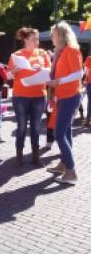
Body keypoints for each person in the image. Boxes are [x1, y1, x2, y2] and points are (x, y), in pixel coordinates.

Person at [8, 28, 51, 166]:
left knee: (36, 127)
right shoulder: (16, 55)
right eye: (34, 39)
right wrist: (14, 71)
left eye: (37, 39)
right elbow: (8, 76)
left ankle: (35, 157)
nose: (37, 41)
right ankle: (19, 155)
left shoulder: (43, 54)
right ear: (26, 40)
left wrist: (41, 69)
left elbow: (51, 72)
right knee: (21, 126)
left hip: (39, 96)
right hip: (21, 96)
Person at [47, 21, 83, 184]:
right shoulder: (62, 51)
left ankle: (71, 171)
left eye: (54, 35)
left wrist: (59, 82)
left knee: (59, 133)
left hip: (71, 96)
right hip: (63, 97)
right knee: (65, 132)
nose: (52, 38)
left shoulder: (72, 50)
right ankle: (64, 163)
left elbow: (78, 74)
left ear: (61, 35)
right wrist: (55, 95)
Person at [83, 55, 91, 126]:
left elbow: (86, 71)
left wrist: (85, 79)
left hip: (90, 82)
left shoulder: (90, 58)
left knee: (90, 101)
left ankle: (88, 119)